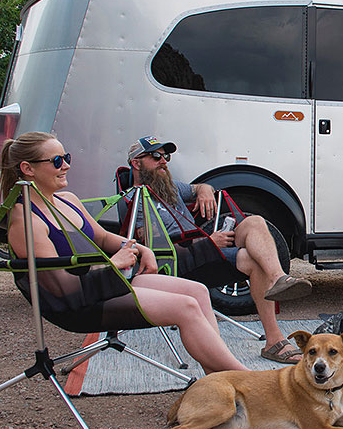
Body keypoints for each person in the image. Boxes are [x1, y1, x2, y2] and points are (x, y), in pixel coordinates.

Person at [0, 131, 248, 374]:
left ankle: (219, 380)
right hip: (82, 304)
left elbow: (104, 237)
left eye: (67, 158)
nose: (65, 166)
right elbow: (64, 290)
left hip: (106, 283)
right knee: (185, 307)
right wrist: (114, 265)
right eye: (56, 161)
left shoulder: (67, 199)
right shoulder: (26, 222)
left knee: (197, 291)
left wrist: (140, 248)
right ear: (27, 169)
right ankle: (244, 379)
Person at [126, 135, 311, 364]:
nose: (163, 161)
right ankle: (274, 339)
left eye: (166, 156)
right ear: (136, 163)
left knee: (255, 222)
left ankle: (278, 278)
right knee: (253, 261)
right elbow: (151, 250)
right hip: (180, 261)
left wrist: (204, 191)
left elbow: (202, 186)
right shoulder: (135, 201)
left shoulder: (169, 187)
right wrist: (206, 242)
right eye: (155, 156)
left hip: (206, 249)